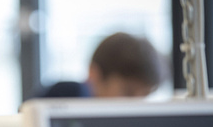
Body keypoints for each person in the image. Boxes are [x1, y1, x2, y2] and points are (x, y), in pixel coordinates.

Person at [37, 32, 166, 98]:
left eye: (144, 97)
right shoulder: (66, 96)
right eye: (128, 93)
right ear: (94, 76)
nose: (136, 107)